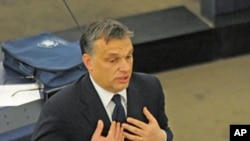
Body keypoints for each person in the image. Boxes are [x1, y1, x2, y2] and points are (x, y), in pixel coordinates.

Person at [31, 19, 173, 141]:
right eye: (113, 60)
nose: (125, 68)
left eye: (129, 57)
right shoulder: (60, 108)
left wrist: (162, 137)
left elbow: (163, 130)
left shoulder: (150, 87)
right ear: (88, 62)